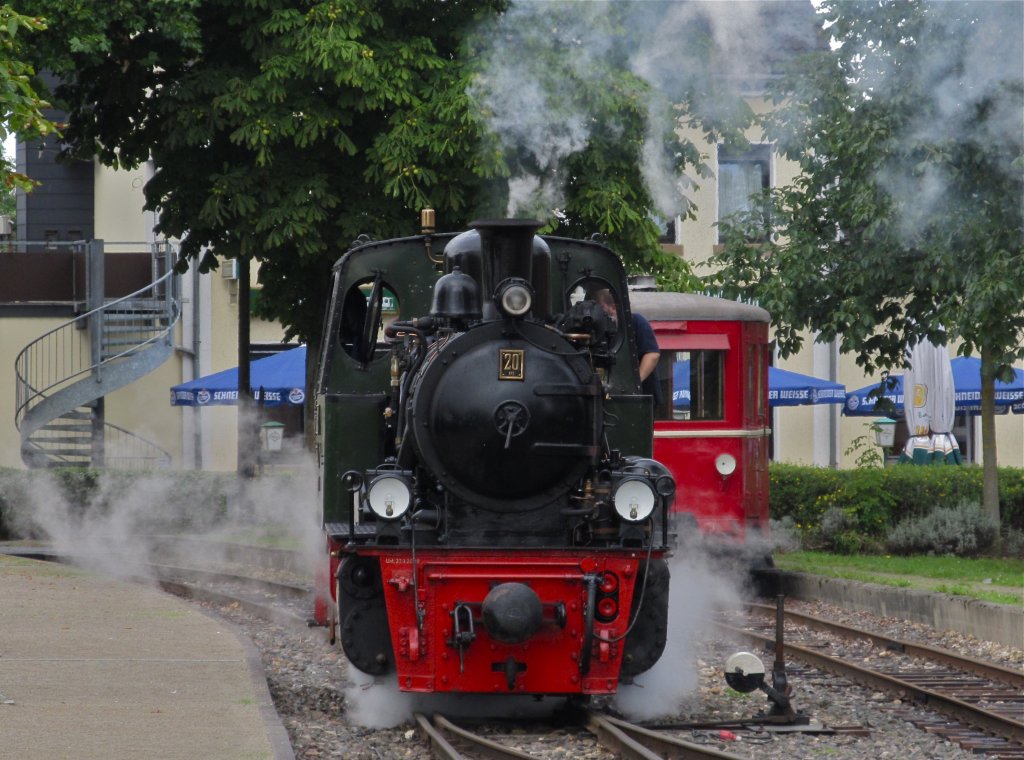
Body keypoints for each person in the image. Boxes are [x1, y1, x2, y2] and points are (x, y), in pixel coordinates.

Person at [595, 290, 663, 405]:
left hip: (642, 397)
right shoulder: (602, 331)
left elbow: (652, 355)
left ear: (613, 307)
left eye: (601, 308)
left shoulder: (637, 322)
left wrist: (634, 384)